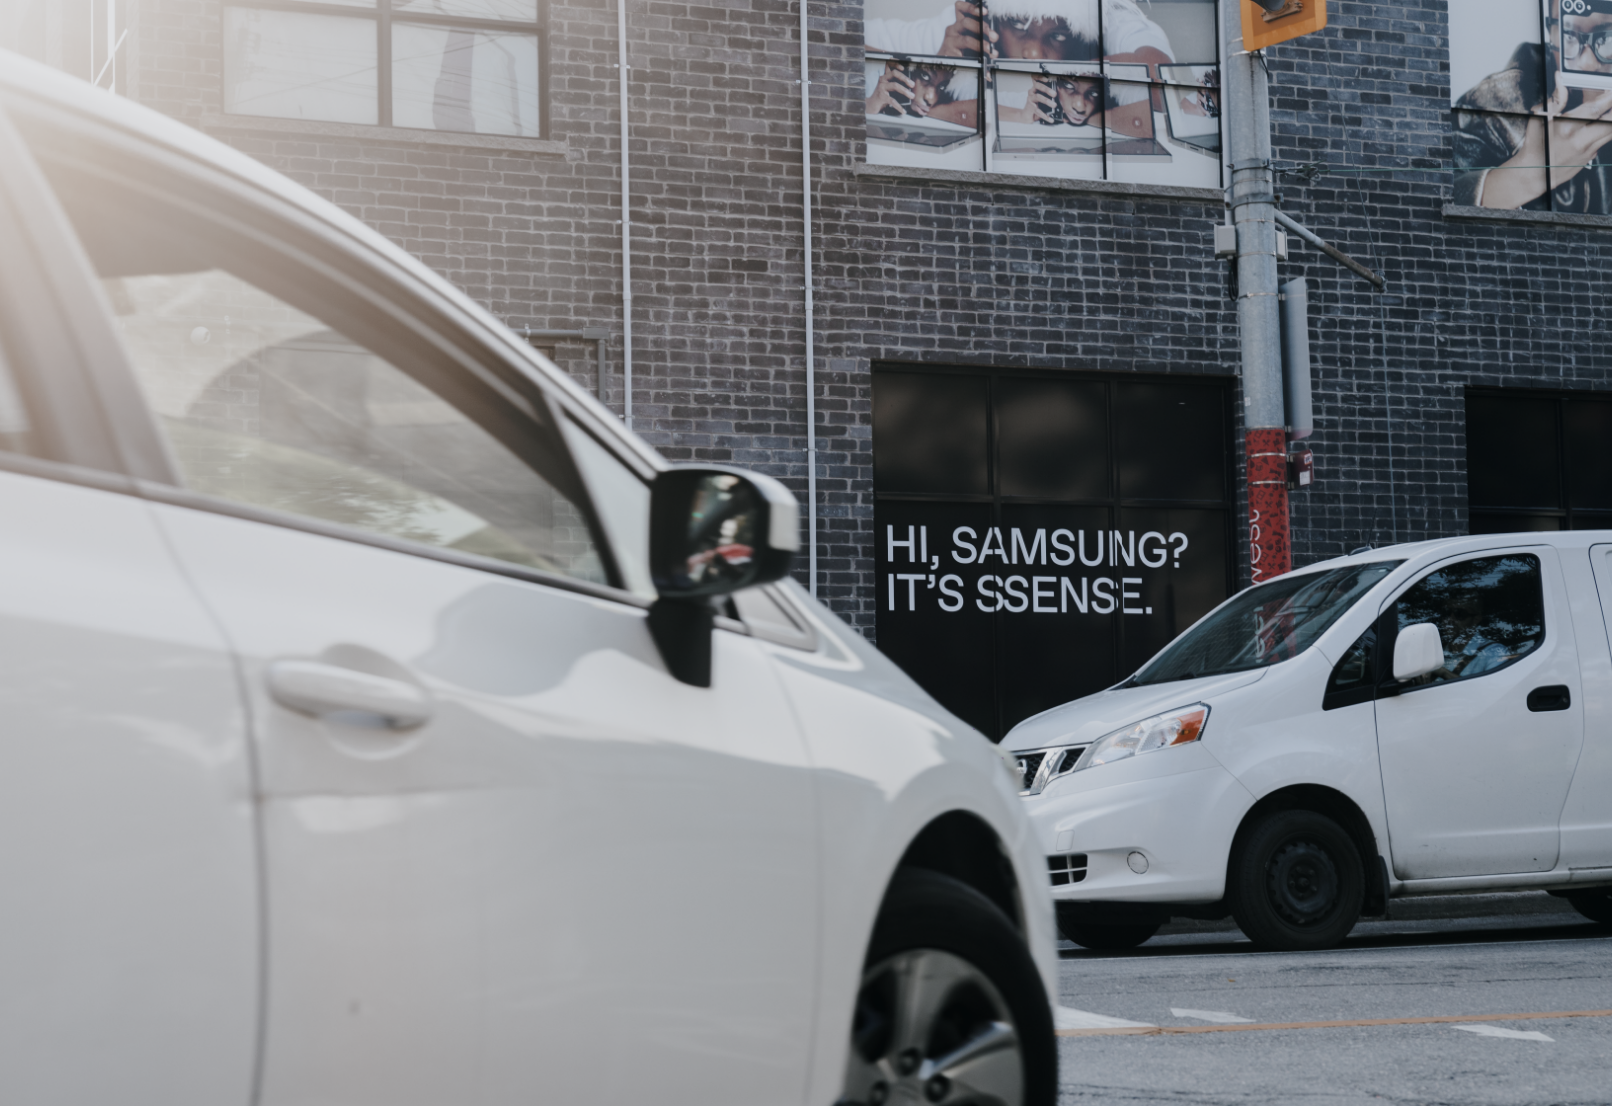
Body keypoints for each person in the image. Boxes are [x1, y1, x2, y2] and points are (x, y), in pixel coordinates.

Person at [1454, 0, 1612, 212]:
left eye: (1608, 37)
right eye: (1568, 36)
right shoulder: (1496, 105)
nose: (1586, 63)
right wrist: (1531, 173)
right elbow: (1427, 207)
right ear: (1551, 32)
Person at [866, 59, 979, 128]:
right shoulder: (874, 81)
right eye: (925, 76)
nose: (931, 98)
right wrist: (870, 106)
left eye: (942, 86)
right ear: (906, 71)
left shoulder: (950, 95)